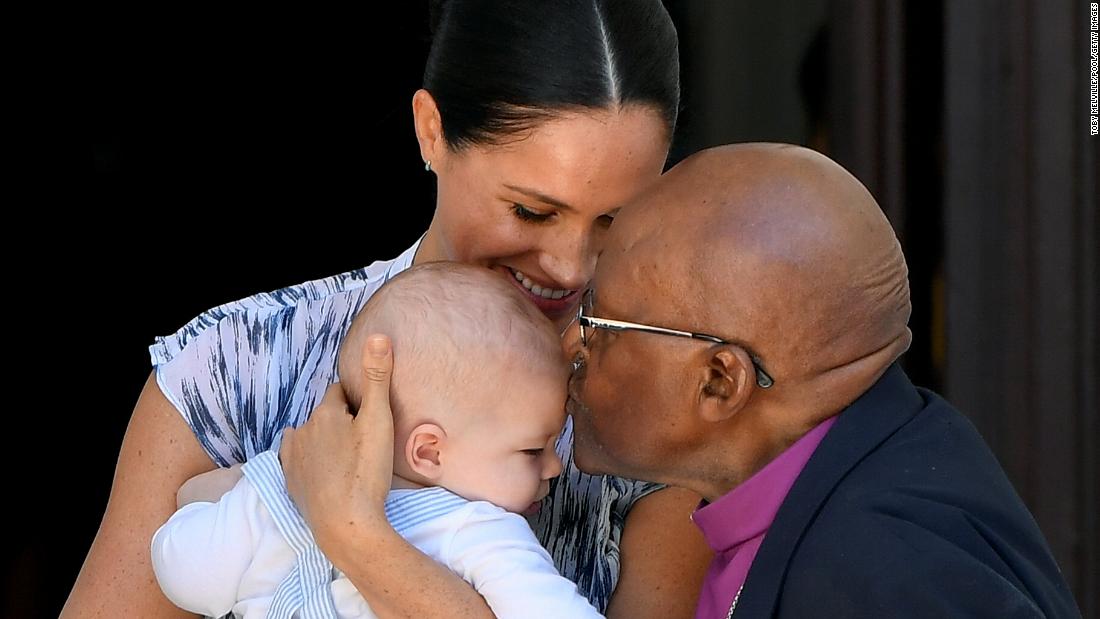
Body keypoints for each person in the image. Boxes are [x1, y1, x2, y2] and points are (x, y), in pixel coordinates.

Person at [63, 2, 712, 617]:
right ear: (432, 131)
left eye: (614, 220)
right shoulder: (239, 367)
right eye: (530, 211)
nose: (572, 266)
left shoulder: (654, 407)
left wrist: (354, 535)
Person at [558, 143, 1081, 618]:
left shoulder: (876, 580)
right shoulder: (883, 455)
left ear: (719, 381)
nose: (572, 345)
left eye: (598, 323)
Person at [150, 264, 605, 619]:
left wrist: (224, 492)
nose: (554, 467)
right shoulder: (480, 531)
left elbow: (187, 578)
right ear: (428, 451)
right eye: (532, 450)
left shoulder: (280, 490)